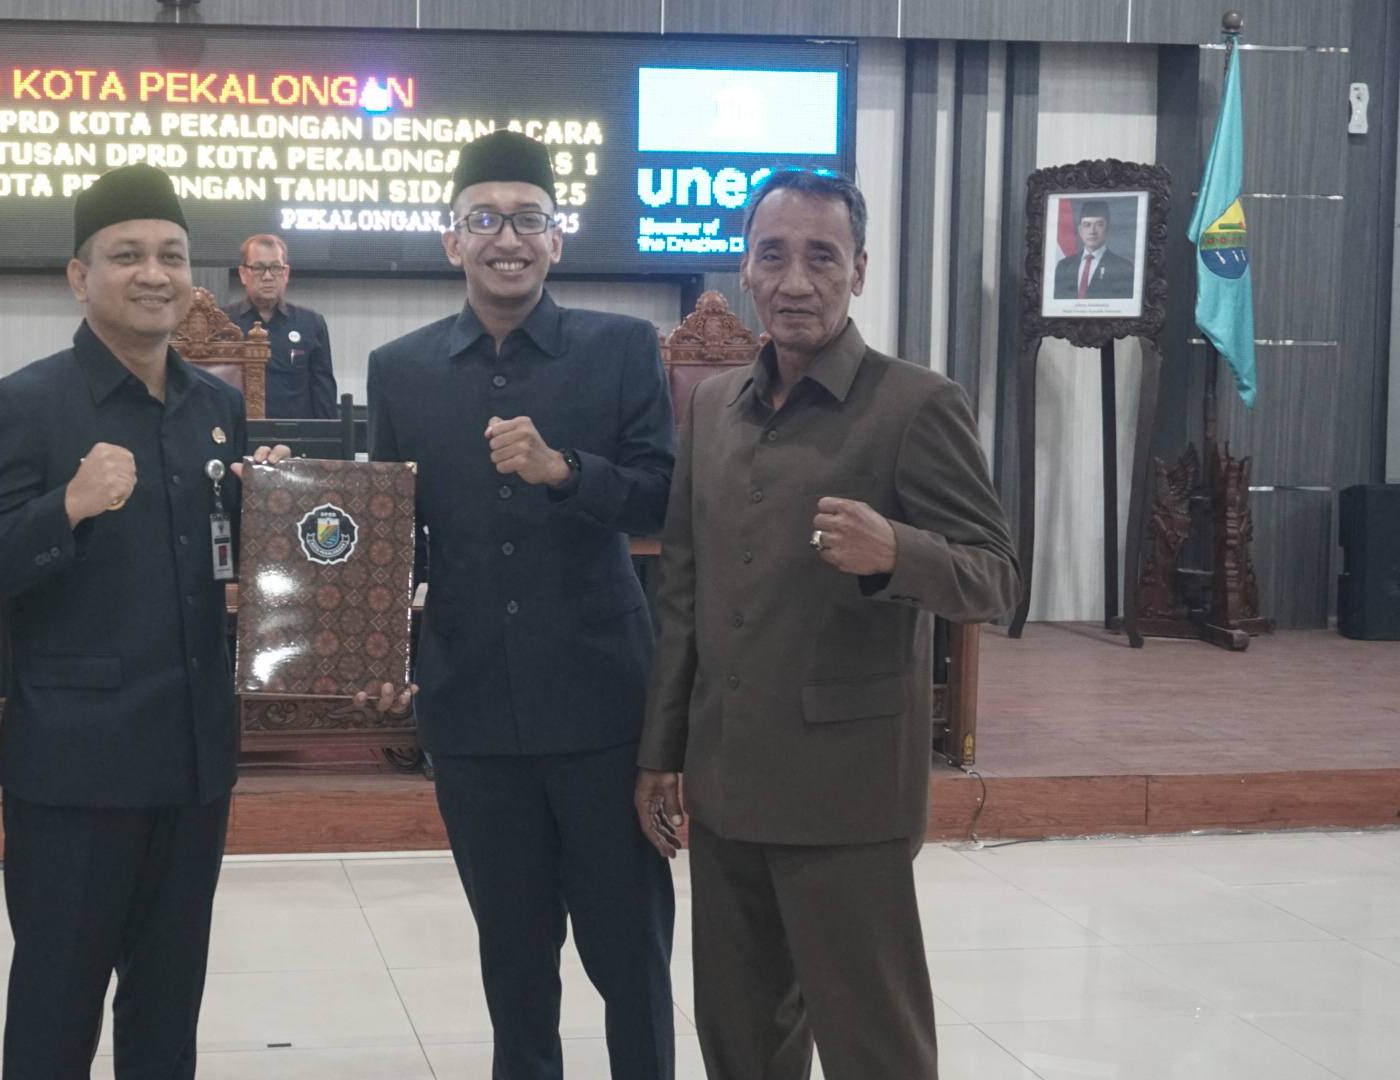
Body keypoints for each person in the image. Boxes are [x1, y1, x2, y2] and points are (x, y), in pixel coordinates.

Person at [635, 168, 1017, 1080]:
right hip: (726, 785)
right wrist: (662, 751)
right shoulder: (714, 408)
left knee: (874, 1048)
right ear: (745, 271)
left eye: (822, 257)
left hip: (846, 793)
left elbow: (996, 577)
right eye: (773, 256)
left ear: (860, 270)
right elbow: (683, 590)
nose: (795, 281)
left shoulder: (915, 404)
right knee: (740, 1043)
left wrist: (897, 553)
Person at [0, 165, 286, 1080]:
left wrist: (272, 508)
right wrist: (67, 506)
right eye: (127, 255)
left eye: (171, 255)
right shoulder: (25, 403)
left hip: (194, 758)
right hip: (78, 768)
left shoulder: (217, 406)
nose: (154, 274)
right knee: (56, 1010)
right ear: (79, 276)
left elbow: (224, 560)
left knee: (168, 1010)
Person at [367, 130, 679, 1080]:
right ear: (451, 240)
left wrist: (565, 472)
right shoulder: (401, 367)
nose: (508, 238)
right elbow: (391, 532)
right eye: (485, 219)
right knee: (512, 957)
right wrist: (382, 652)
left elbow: (664, 498)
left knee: (629, 953)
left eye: (528, 219)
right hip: (470, 710)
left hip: (601, 707)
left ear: (557, 238)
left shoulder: (621, 348)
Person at [223, 233, 338, 418]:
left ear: (285, 273)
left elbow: (323, 393)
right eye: (258, 268)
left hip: (295, 433)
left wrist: (328, 434)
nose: (268, 276)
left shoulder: (311, 323)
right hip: (238, 430)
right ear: (243, 274)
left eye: (275, 267)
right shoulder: (223, 323)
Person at [1053, 199, 1136, 299]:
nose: (1092, 231)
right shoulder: (1064, 266)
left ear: (1108, 229)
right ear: (1080, 230)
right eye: (1087, 225)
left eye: (1099, 224)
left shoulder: (1122, 267)